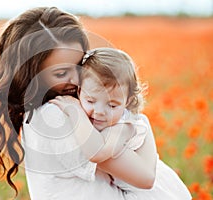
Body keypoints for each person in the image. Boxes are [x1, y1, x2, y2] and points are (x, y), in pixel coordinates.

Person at [0, 7, 158, 200]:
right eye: (61, 73)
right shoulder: (54, 116)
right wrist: (140, 126)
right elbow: (147, 178)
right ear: (31, 76)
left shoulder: (65, 107)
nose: (77, 79)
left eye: (80, 65)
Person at [50, 47, 192, 199]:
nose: (99, 111)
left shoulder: (124, 127)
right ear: (79, 92)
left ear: (127, 101)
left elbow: (96, 153)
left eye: (112, 105)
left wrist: (75, 111)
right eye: (90, 101)